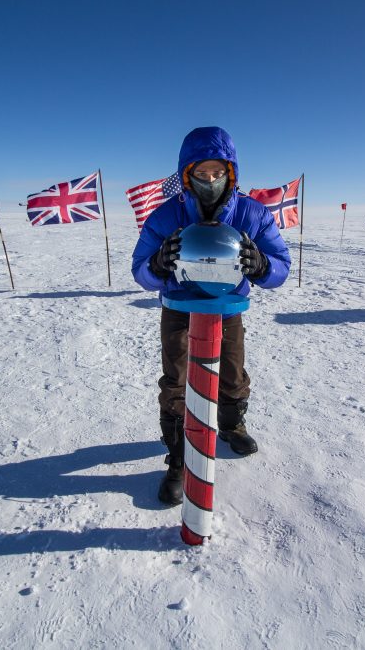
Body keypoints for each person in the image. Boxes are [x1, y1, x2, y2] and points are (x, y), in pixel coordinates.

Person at [131, 126, 291, 505]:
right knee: (177, 382)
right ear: (187, 174)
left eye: (217, 173)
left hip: (226, 309)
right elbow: (140, 271)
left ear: (230, 173)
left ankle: (231, 425)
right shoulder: (166, 215)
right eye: (201, 174)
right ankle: (179, 458)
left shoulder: (252, 214)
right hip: (179, 309)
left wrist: (261, 265)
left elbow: (282, 267)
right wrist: (157, 264)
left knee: (231, 373)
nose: (209, 180)